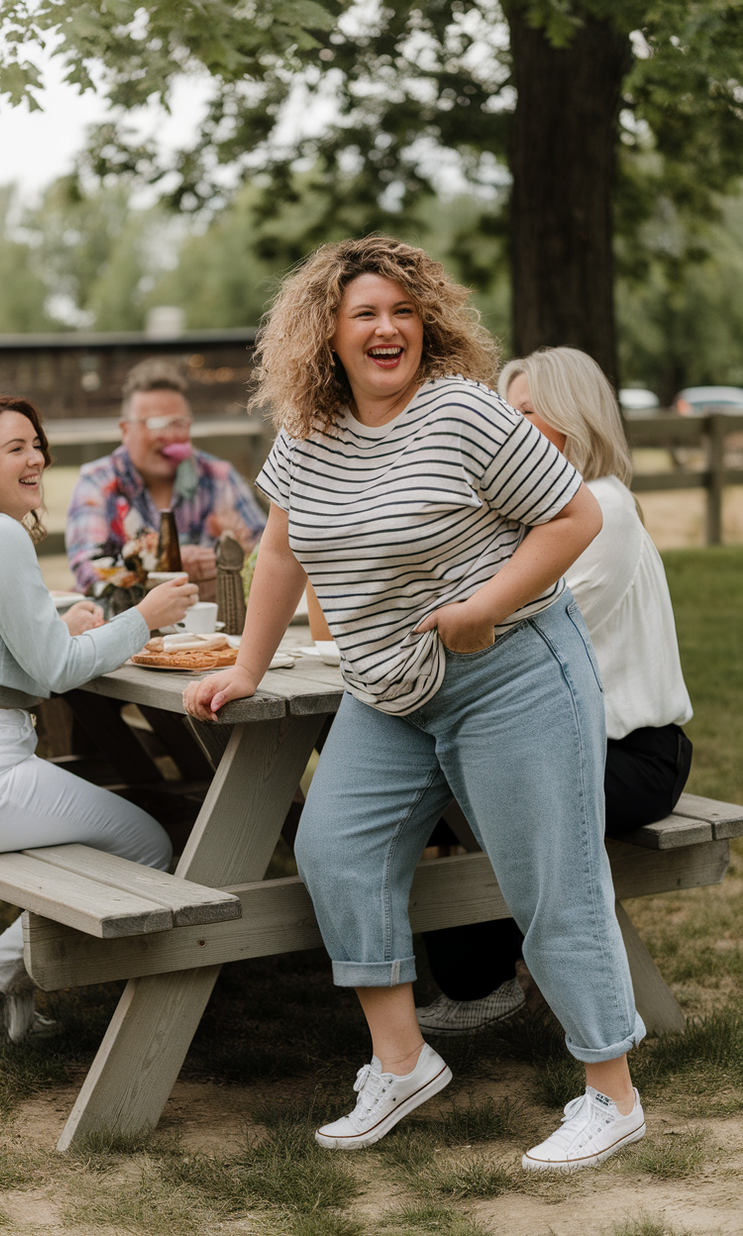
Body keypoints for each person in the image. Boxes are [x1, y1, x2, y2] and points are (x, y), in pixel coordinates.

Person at [185, 236, 647, 1172]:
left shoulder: (464, 413)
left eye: (403, 310)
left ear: (425, 323)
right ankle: (401, 1063)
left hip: (509, 669)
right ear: (328, 332)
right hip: (387, 689)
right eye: (366, 314)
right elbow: (280, 553)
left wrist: (483, 607)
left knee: (549, 881)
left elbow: (575, 517)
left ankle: (613, 1094)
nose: (387, 328)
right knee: (333, 848)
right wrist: (248, 665)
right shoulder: (309, 434)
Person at [416, 346, 694, 1038]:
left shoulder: (601, 507)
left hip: (632, 755)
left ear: (575, 420)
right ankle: (472, 967)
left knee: (485, 785)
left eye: (527, 414)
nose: (507, 432)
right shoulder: (532, 520)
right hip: (563, 739)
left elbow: (509, 637)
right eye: (503, 415)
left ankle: (503, 980)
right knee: (432, 777)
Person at [0, 393, 198, 1052]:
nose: (36, 458)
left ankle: (12, 994)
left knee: (95, 832)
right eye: (15, 448)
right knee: (147, 843)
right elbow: (55, 672)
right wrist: (145, 618)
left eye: (36, 444)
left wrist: (58, 624)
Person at [65, 358, 267, 600]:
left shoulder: (218, 476)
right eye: (157, 425)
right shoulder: (97, 483)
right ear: (126, 430)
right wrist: (167, 563)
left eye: (179, 423)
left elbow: (266, 556)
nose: (171, 435)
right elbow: (89, 570)